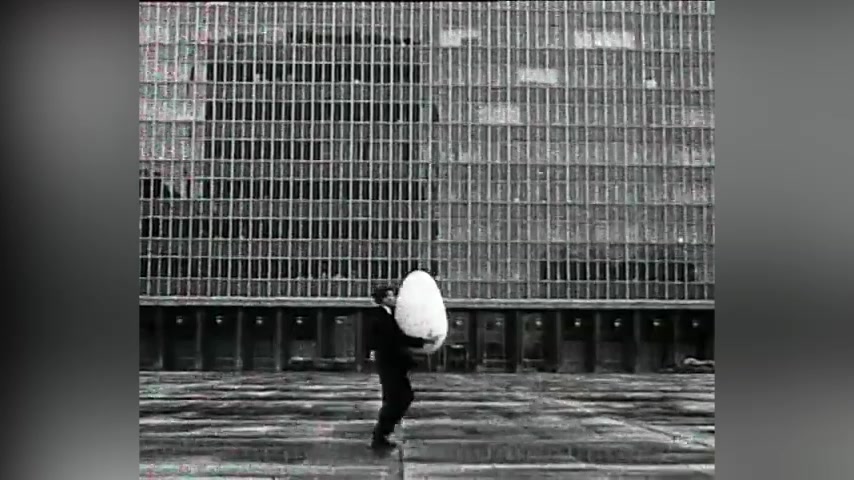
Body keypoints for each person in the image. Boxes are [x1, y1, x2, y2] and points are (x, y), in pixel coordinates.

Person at [368, 285, 438, 450]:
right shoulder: (380, 317)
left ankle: (384, 432)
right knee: (397, 399)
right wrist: (424, 341)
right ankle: (381, 435)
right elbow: (397, 338)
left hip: (394, 364)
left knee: (400, 397)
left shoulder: (389, 315)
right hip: (390, 364)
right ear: (383, 299)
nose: (394, 299)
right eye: (390, 296)